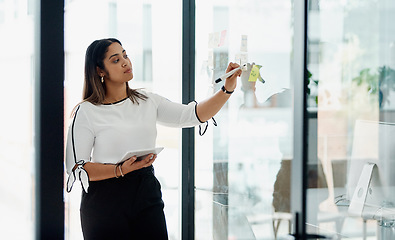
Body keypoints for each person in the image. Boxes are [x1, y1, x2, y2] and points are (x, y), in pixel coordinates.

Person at [65, 38, 241, 240]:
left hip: (145, 190)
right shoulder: (87, 111)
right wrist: (120, 169)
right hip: (105, 199)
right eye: (115, 60)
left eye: (125, 54)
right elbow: (77, 168)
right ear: (99, 71)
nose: (125, 62)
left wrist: (227, 89)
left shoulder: (147, 100)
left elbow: (193, 115)